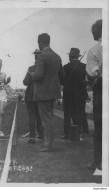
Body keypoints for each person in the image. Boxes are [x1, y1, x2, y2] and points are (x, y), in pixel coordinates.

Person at [28, 33, 64, 151]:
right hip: (53, 92)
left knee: (46, 120)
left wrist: (32, 75)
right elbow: (62, 77)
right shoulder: (57, 57)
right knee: (49, 118)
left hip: (43, 92)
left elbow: (38, 75)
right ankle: (49, 143)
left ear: (40, 42)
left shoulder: (42, 56)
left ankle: (47, 145)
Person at [86, 19, 102, 171]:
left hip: (102, 91)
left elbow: (92, 74)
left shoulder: (94, 50)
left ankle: (98, 161)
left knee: (99, 128)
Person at [61, 48, 88, 140]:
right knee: (79, 114)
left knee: (67, 115)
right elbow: (87, 81)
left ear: (70, 56)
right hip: (80, 95)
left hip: (68, 94)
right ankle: (78, 134)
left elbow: (62, 81)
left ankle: (67, 134)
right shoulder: (84, 66)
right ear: (78, 56)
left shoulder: (65, 67)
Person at [23, 49, 44, 144]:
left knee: (32, 117)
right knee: (40, 117)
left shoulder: (31, 68)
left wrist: (31, 76)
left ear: (35, 57)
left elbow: (25, 82)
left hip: (31, 95)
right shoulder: (45, 68)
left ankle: (32, 138)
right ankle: (41, 135)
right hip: (41, 95)